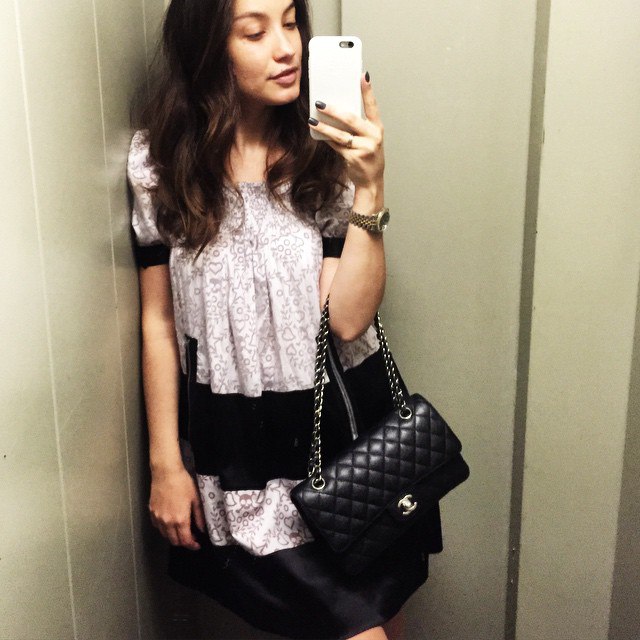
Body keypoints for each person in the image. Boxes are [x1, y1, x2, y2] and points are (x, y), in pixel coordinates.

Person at [127, 1, 442, 638]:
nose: (286, 47)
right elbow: (158, 322)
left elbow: (346, 322)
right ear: (207, 48)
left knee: (380, 619)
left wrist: (371, 187)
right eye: (255, 31)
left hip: (343, 435)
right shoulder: (159, 164)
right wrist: (165, 462)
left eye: (291, 22)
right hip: (240, 446)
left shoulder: (323, 153)